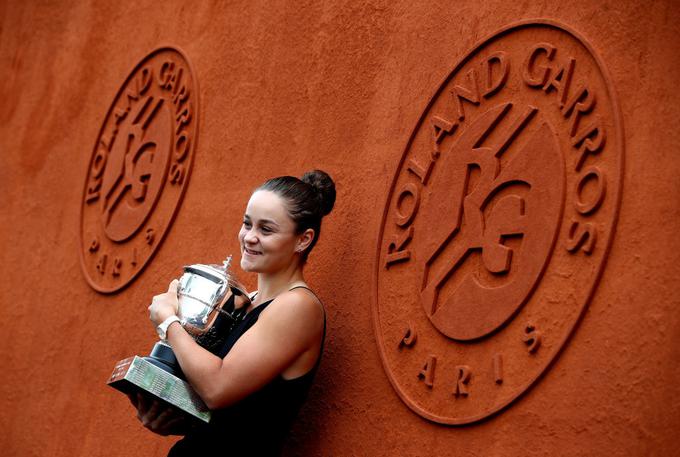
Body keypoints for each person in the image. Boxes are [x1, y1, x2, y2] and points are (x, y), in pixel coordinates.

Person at [129, 170, 336, 456]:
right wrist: (168, 415)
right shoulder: (247, 301)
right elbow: (232, 417)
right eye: (247, 224)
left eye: (266, 229)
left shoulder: (298, 306)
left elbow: (217, 388)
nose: (250, 237)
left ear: (303, 240)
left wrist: (168, 321)